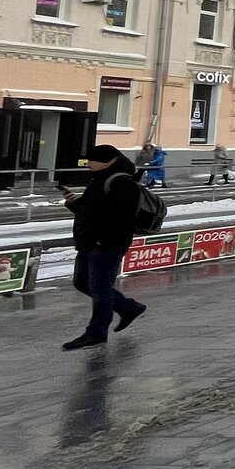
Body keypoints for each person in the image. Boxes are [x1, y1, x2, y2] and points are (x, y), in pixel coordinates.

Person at [59, 145, 148, 351]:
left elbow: (121, 216)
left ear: (108, 161)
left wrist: (102, 238)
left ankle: (96, 332)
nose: (88, 164)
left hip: (107, 243)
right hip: (90, 241)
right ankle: (128, 308)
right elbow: (91, 211)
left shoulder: (122, 182)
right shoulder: (98, 179)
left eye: (92, 160)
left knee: (100, 288)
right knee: (82, 282)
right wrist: (74, 203)